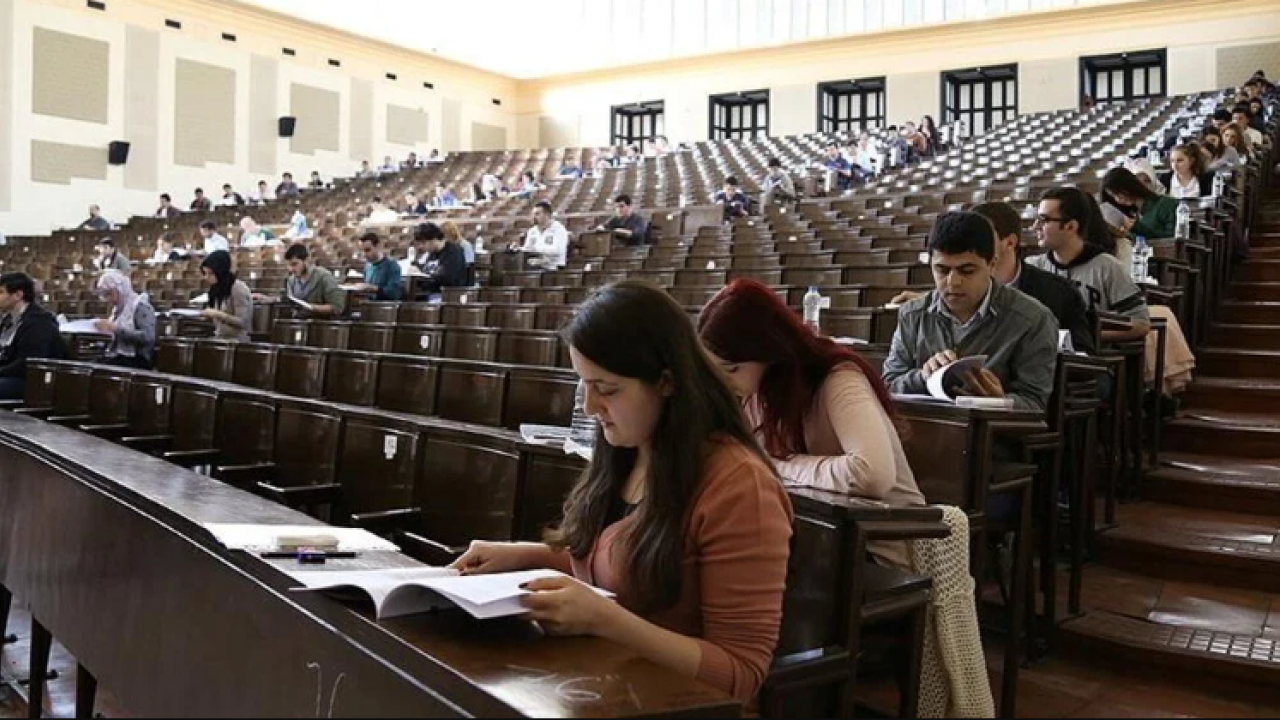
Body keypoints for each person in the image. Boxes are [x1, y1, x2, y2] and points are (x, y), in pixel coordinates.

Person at [449, 280, 792, 702]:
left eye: (606, 389)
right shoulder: (630, 449)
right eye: (584, 385)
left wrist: (606, 621)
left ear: (666, 382)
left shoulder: (740, 487)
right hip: (602, 685)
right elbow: (625, 560)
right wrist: (526, 554)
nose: (590, 407)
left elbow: (741, 673)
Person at [697, 278, 924, 568]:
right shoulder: (755, 391)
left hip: (879, 548)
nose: (725, 383)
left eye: (732, 369)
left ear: (770, 352)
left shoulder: (837, 379)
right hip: (817, 537)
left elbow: (872, 475)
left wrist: (778, 465)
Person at [881, 211, 1059, 412]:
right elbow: (887, 386)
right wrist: (923, 376)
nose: (953, 282)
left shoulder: (1033, 319)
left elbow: (1035, 404)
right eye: (942, 270)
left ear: (992, 265)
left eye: (967, 271)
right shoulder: (912, 314)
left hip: (992, 438)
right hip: (923, 433)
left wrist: (1000, 402)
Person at [1026, 187, 1150, 343]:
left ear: (1070, 226)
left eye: (1044, 220)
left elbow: (1141, 323)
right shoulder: (1032, 267)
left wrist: (1085, 338)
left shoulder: (1107, 267)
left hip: (1090, 361)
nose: (1035, 226)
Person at [972, 202, 1097, 355]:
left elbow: (1082, 355)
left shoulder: (1059, 292)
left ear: (1010, 242)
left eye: (981, 238)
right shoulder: (959, 291)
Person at [0, 273, 64, 400]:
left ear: (18, 295)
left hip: (33, 380)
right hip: (10, 375)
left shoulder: (40, 321)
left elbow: (27, 362)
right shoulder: (8, 319)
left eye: (1, 292)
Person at [251, 243, 346, 317]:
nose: (290, 269)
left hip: (321, 324)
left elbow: (337, 307)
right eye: (288, 265)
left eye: (294, 264)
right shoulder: (292, 280)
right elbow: (290, 302)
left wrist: (311, 307)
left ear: (306, 261)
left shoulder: (324, 276)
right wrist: (269, 299)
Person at [94, 270, 156, 369]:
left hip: (136, 359)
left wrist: (115, 329)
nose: (109, 299)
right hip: (118, 356)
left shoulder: (140, 307)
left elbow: (148, 337)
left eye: (110, 294)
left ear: (121, 290)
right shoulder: (118, 309)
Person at [1100, 167, 1179, 239]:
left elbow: (1173, 239)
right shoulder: (1131, 215)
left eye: (1118, 193)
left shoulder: (1166, 204)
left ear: (1129, 185)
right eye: (1113, 196)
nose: (1118, 199)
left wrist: (1137, 228)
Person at [199, 251, 253, 342]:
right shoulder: (216, 288)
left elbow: (243, 322)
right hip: (220, 337)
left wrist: (218, 314)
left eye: (210, 273)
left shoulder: (238, 288)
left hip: (237, 340)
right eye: (205, 273)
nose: (206, 277)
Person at [412, 223, 466, 294]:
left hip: (447, 295)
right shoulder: (432, 253)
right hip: (430, 293)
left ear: (434, 239)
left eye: (424, 242)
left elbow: (447, 279)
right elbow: (427, 272)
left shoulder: (453, 252)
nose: (421, 246)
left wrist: (423, 276)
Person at [514, 201, 569, 269]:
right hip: (536, 265)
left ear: (547, 215)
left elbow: (558, 251)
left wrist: (536, 249)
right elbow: (528, 249)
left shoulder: (559, 229)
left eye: (537, 214)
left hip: (554, 267)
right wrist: (519, 248)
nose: (533, 217)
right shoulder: (532, 231)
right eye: (532, 214)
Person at [356, 232, 403, 301]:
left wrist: (373, 288)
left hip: (385, 308)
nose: (364, 254)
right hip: (369, 306)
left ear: (378, 247)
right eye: (362, 251)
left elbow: (394, 293)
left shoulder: (392, 266)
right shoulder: (367, 267)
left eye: (367, 250)